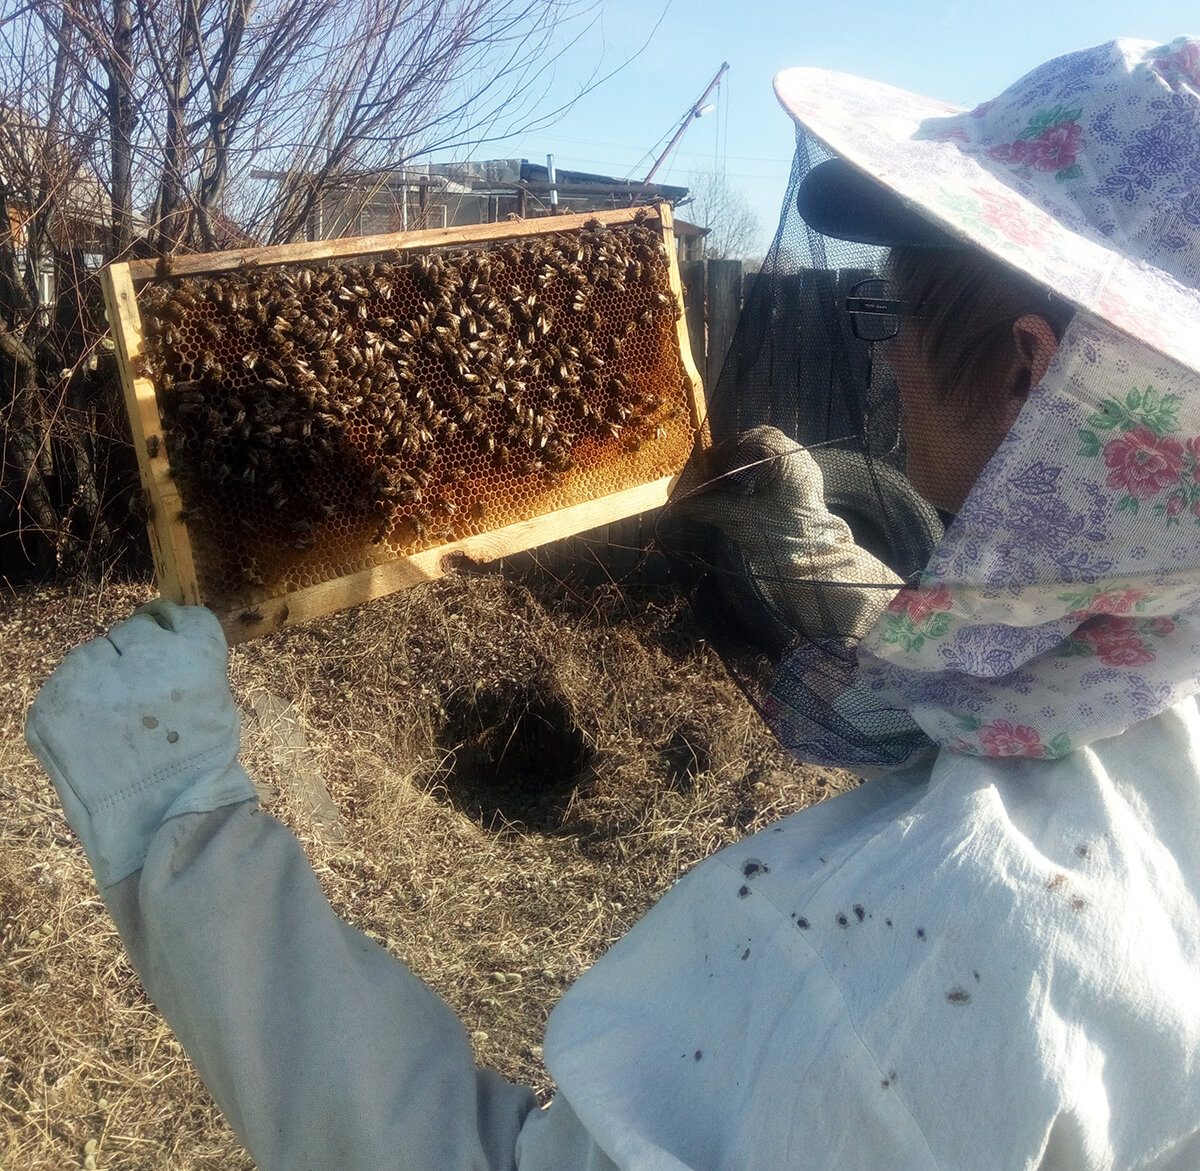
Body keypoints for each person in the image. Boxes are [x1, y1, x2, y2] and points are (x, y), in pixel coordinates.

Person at [25, 35, 1200, 1169]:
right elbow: (1018, 688)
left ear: (1029, 370)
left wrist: (173, 816)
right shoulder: (1156, 681)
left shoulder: (940, 947)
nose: (885, 361)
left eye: (894, 321)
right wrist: (810, 547)